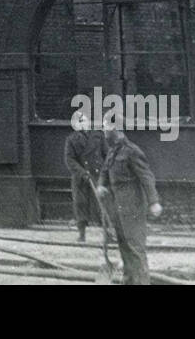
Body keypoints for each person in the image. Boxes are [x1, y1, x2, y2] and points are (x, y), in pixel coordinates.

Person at [96, 125, 162, 285]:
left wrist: (154, 202)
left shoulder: (132, 151)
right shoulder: (112, 151)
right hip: (117, 208)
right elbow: (105, 171)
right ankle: (128, 281)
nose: (104, 133)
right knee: (124, 247)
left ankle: (141, 282)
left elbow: (147, 177)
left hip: (133, 208)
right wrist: (101, 185)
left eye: (106, 130)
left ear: (116, 130)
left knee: (135, 249)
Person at [64, 114, 106, 242]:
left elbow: (107, 155)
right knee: (80, 204)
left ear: (88, 122)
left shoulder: (98, 136)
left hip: (97, 175)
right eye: (78, 122)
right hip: (80, 177)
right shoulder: (71, 139)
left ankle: (108, 233)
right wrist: (82, 172)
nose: (82, 124)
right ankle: (82, 234)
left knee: (102, 204)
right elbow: (69, 159)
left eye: (84, 121)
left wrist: (105, 174)